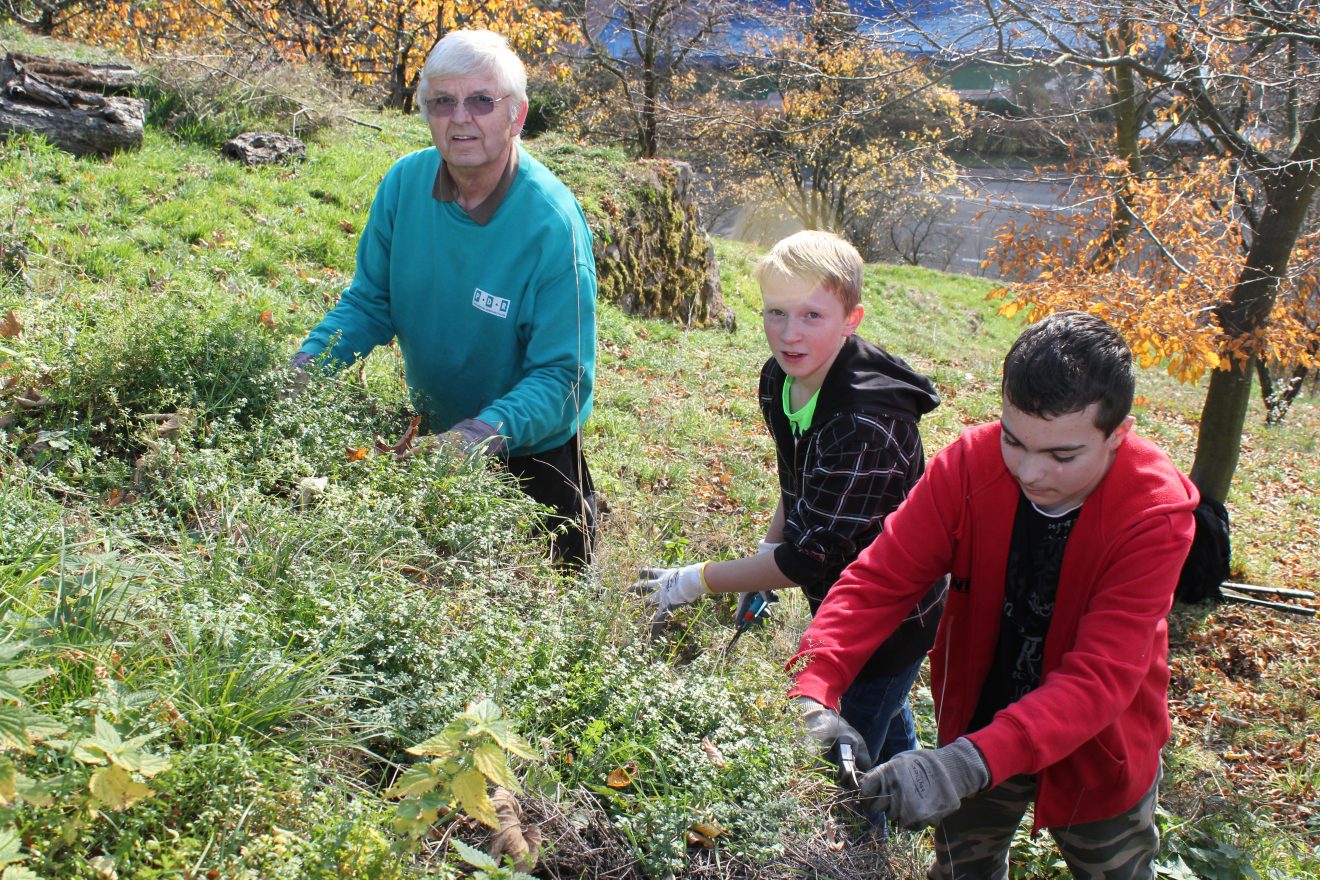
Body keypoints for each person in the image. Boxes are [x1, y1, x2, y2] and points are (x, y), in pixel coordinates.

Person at [790, 311, 1199, 880]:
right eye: (1014, 440)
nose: (1030, 471)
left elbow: (1100, 676)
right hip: (980, 723)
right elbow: (880, 579)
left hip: (1100, 748)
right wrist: (814, 684)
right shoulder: (968, 467)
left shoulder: (1154, 514)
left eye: (1062, 455)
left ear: (1118, 434)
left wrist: (960, 766)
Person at [635, 230, 945, 764]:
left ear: (852, 319)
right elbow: (797, 481)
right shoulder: (781, 379)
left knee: (850, 747)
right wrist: (764, 551)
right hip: (837, 593)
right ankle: (902, 771)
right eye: (775, 312)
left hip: (889, 617)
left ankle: (868, 836)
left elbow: (805, 559)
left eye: (811, 316)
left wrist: (696, 580)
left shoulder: (863, 425)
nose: (789, 334)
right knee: (886, 713)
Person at [293, 29, 598, 566]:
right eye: (443, 102)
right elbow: (370, 303)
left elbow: (565, 378)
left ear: (517, 115)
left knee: (555, 587)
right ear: (426, 112)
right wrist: (306, 367)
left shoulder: (552, 226)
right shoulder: (404, 185)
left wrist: (481, 433)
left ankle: (587, 519)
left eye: (482, 100)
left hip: (532, 448)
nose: (461, 118)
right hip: (433, 428)